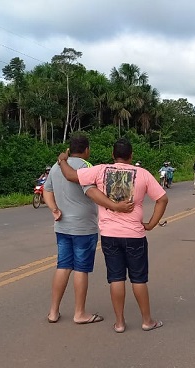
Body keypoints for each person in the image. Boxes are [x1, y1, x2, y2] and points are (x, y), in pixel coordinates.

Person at [57, 138, 168, 334]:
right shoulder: (142, 174)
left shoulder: (101, 170)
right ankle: (147, 321)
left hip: (109, 235)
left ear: (112, 155)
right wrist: (150, 224)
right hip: (135, 235)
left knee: (116, 278)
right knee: (139, 279)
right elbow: (162, 199)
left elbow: (71, 176)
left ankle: (119, 323)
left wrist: (62, 160)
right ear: (131, 155)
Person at [43, 135, 134, 325]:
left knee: (63, 266)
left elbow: (47, 190)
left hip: (62, 225)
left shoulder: (56, 166)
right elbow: (92, 192)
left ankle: (53, 312)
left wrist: (54, 209)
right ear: (86, 150)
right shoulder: (85, 167)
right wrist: (114, 206)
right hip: (84, 227)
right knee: (81, 269)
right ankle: (79, 313)